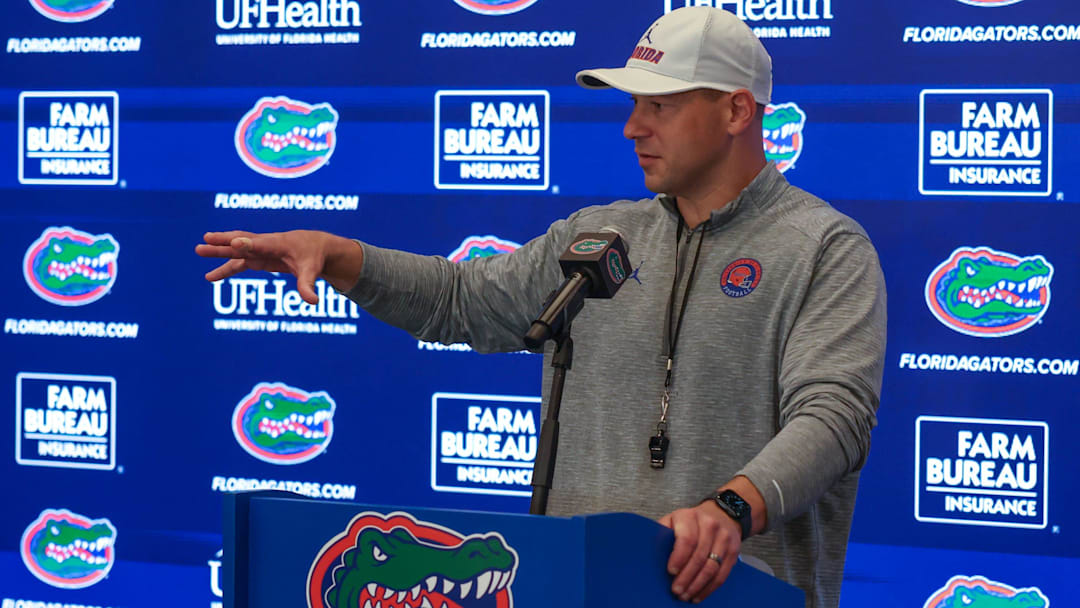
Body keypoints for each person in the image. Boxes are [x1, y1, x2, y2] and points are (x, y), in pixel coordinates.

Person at [197, 6, 886, 607]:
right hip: (578, 587)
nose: (632, 128)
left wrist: (732, 506)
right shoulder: (600, 235)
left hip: (730, 592)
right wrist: (339, 253)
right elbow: (462, 300)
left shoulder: (824, 248)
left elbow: (834, 417)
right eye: (630, 105)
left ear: (737, 110)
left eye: (660, 106)